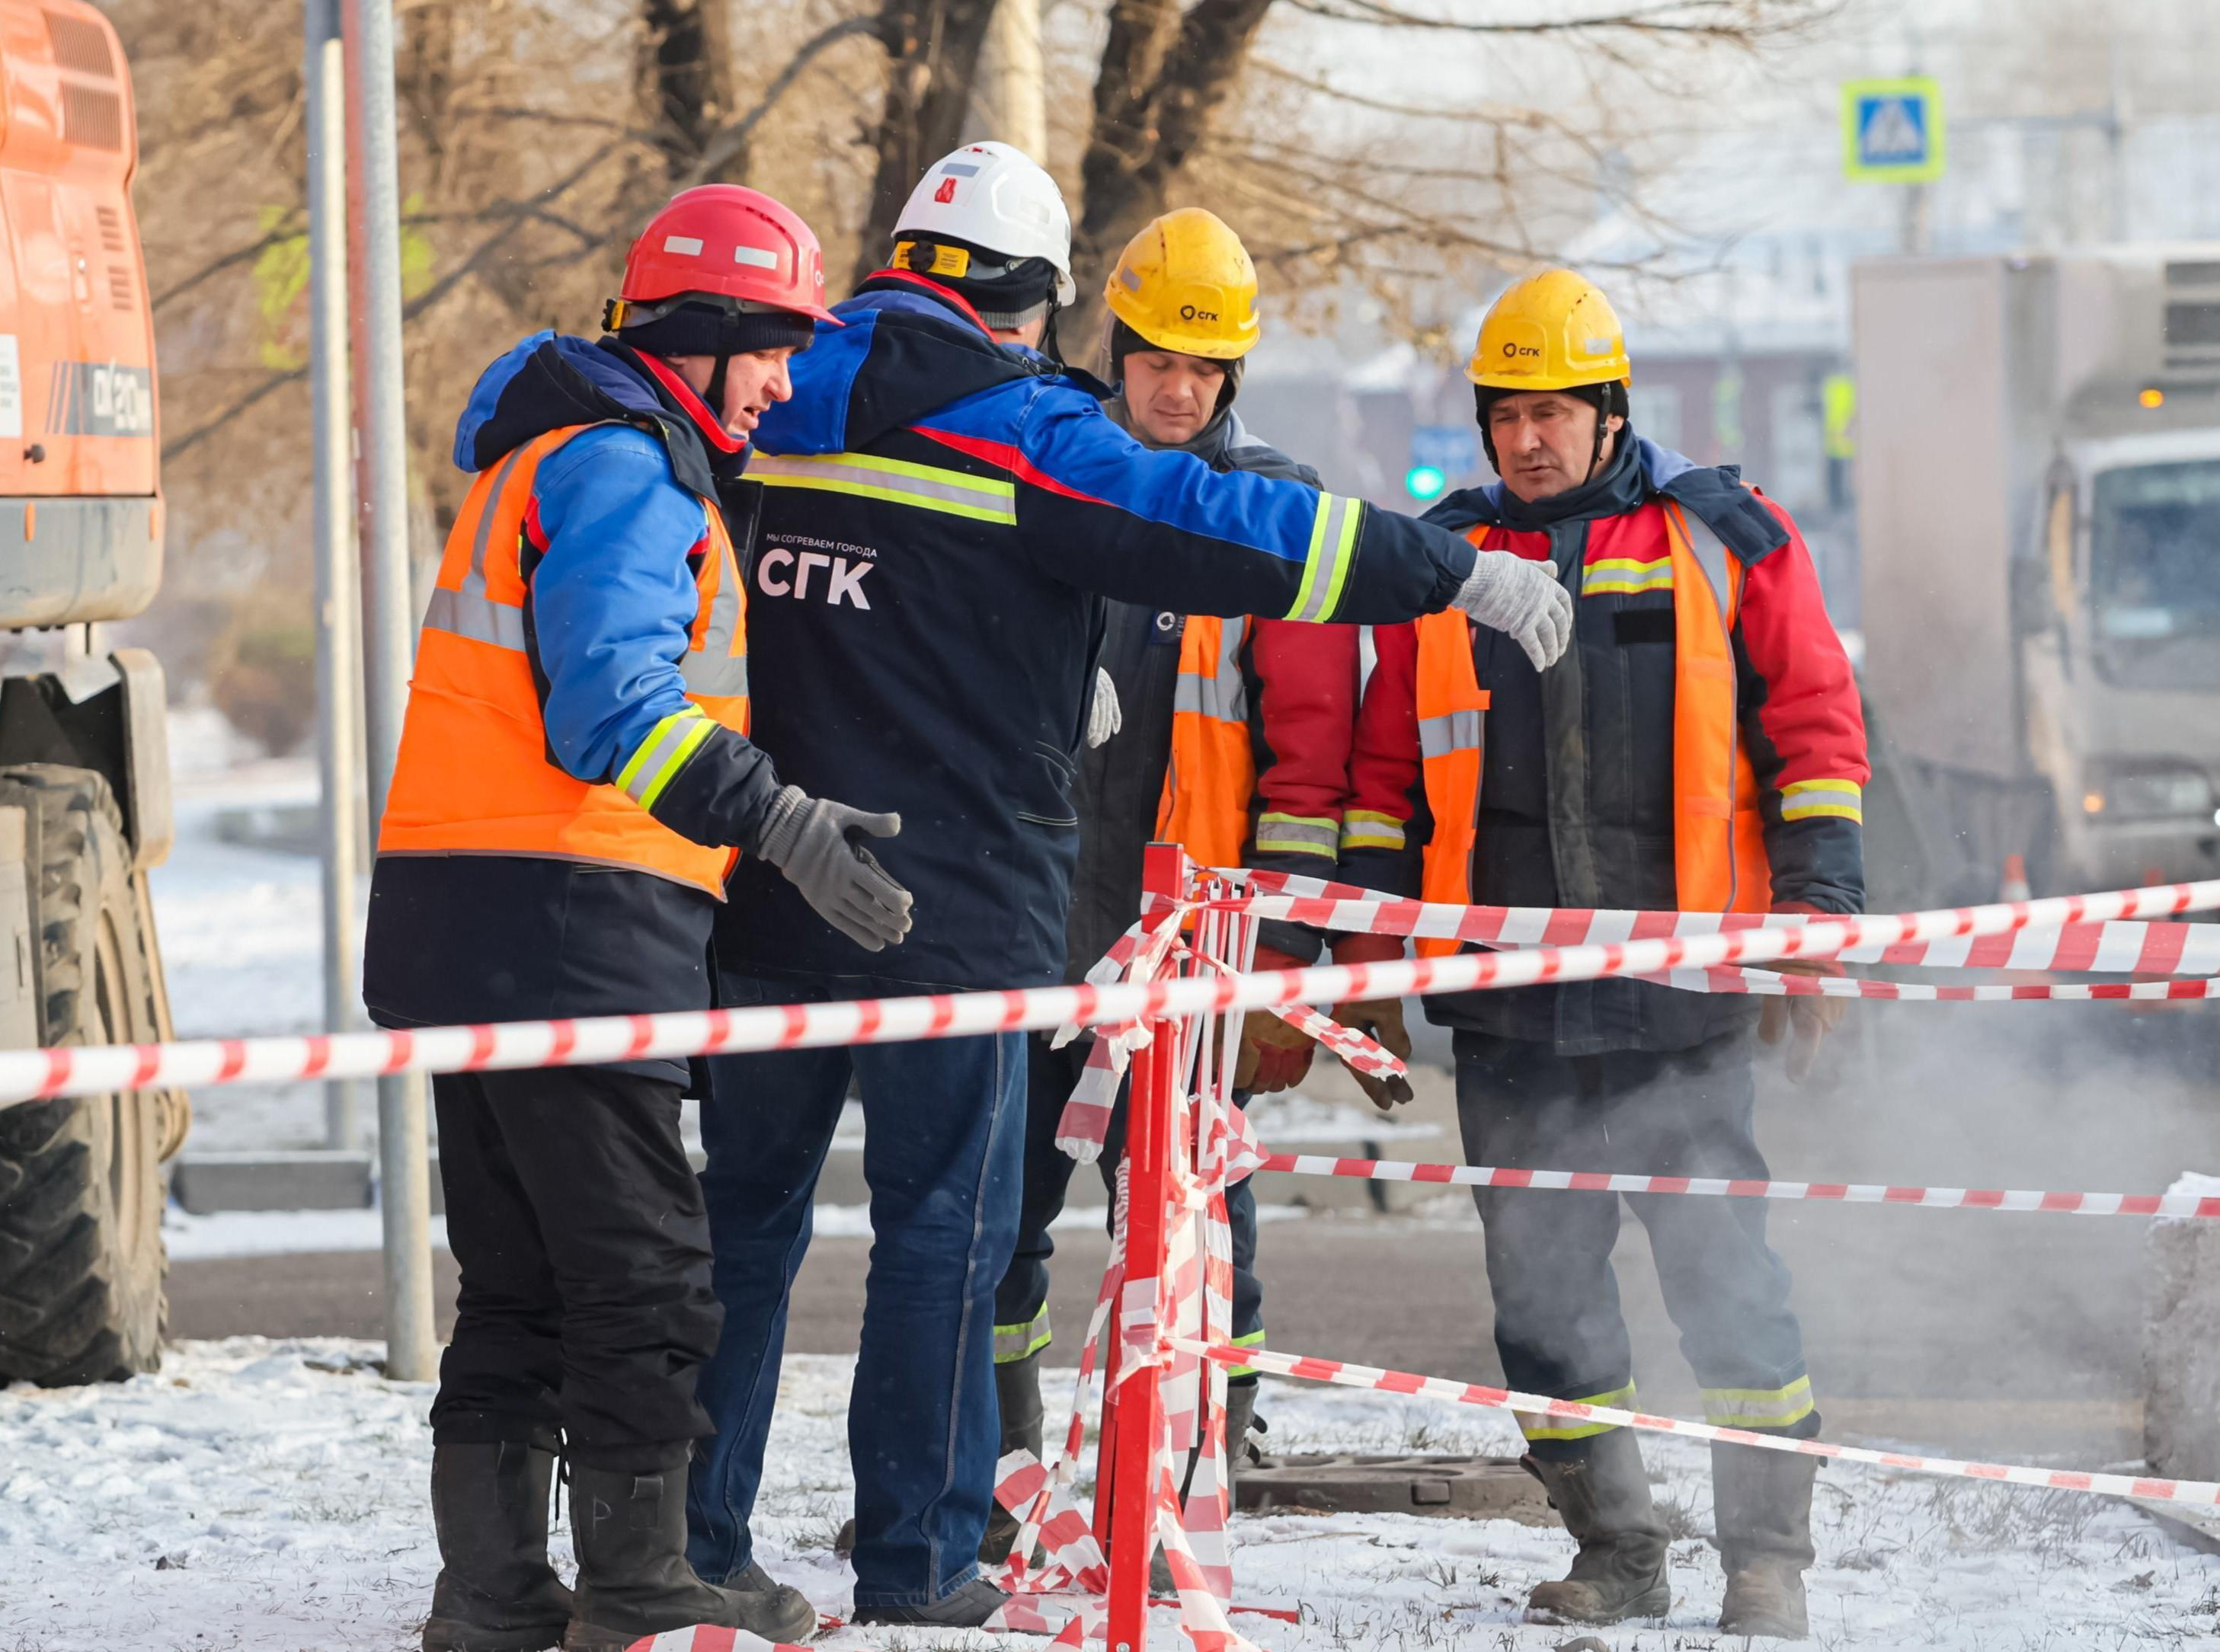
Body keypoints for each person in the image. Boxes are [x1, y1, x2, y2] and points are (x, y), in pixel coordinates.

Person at [683, 142, 1575, 1628]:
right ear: (1036, 304)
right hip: (949, 905)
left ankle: (693, 1538)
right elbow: (1234, 529)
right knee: (941, 1236)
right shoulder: (1020, 427)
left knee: (742, 1229)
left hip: (769, 875)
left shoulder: (774, 398)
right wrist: (1447, 571)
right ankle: (915, 1556)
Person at [366, 184, 916, 1652]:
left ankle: (491, 1601)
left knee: (521, 1286)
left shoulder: (544, 453)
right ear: (712, 330)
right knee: (646, 1282)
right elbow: (612, 702)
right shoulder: (625, 467)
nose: (789, 381)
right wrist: (779, 818)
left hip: (458, 916)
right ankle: (639, 1586)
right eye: (776, 347)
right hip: (571, 917)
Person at [1347, 268, 1866, 1640]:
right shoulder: (1440, 562)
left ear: (1608, 409)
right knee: (1542, 1300)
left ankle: (1766, 1562)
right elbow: (1386, 779)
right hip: (1508, 1010)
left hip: (1682, 999)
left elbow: (1810, 731)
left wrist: (1814, 921)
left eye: (1553, 412)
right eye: (1504, 414)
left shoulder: (1721, 538)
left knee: (1728, 1292)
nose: (1527, 439)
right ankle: (1614, 1546)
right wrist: (1362, 964)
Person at [984, 209, 1420, 1555]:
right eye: (1155, 359)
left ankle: (1194, 1481)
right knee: (996, 1215)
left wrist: (1278, 970)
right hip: (1037, 931)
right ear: (1114, 351)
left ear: (1233, 378)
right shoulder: (1053, 484)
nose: (1175, 388)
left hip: (1188, 955)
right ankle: (996, 1475)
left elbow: (1305, 769)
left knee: (1194, 1226)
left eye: (1202, 367)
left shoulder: (1265, 521)